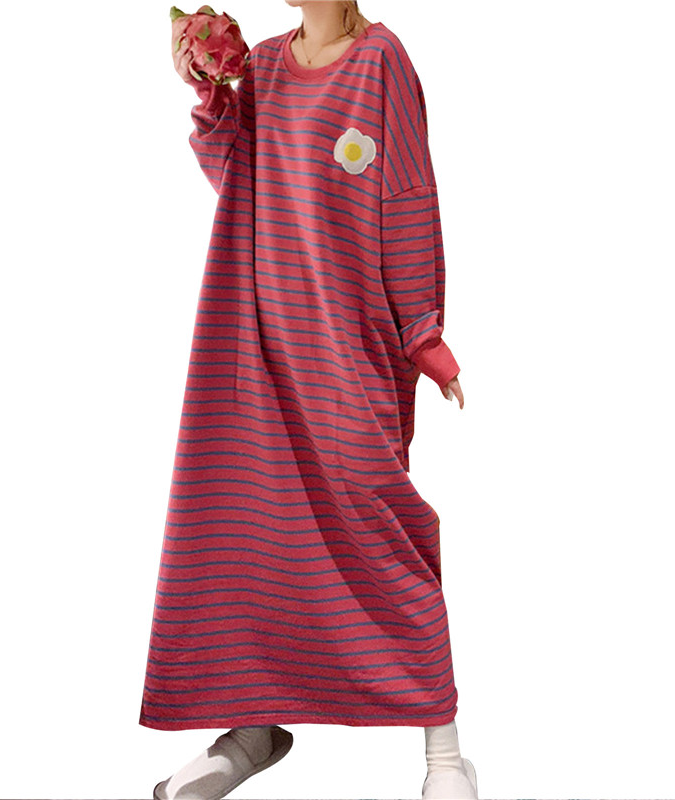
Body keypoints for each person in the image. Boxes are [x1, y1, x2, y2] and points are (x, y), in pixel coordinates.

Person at [142, 2, 477, 798]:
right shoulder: (262, 63)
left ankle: (444, 752)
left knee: (382, 524)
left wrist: (423, 331)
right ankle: (253, 727)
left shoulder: (381, 62)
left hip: (347, 342)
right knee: (246, 528)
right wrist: (210, 92)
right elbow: (238, 178)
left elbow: (407, 199)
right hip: (254, 338)